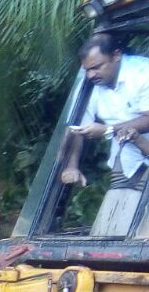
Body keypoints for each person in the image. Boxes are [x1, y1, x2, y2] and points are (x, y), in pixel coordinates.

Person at [62, 33, 149, 234]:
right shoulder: (90, 85)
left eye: (96, 67)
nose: (91, 75)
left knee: (144, 235)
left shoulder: (143, 73)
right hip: (126, 158)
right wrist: (72, 167)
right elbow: (77, 128)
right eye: (87, 70)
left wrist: (108, 129)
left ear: (116, 55)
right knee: (112, 227)